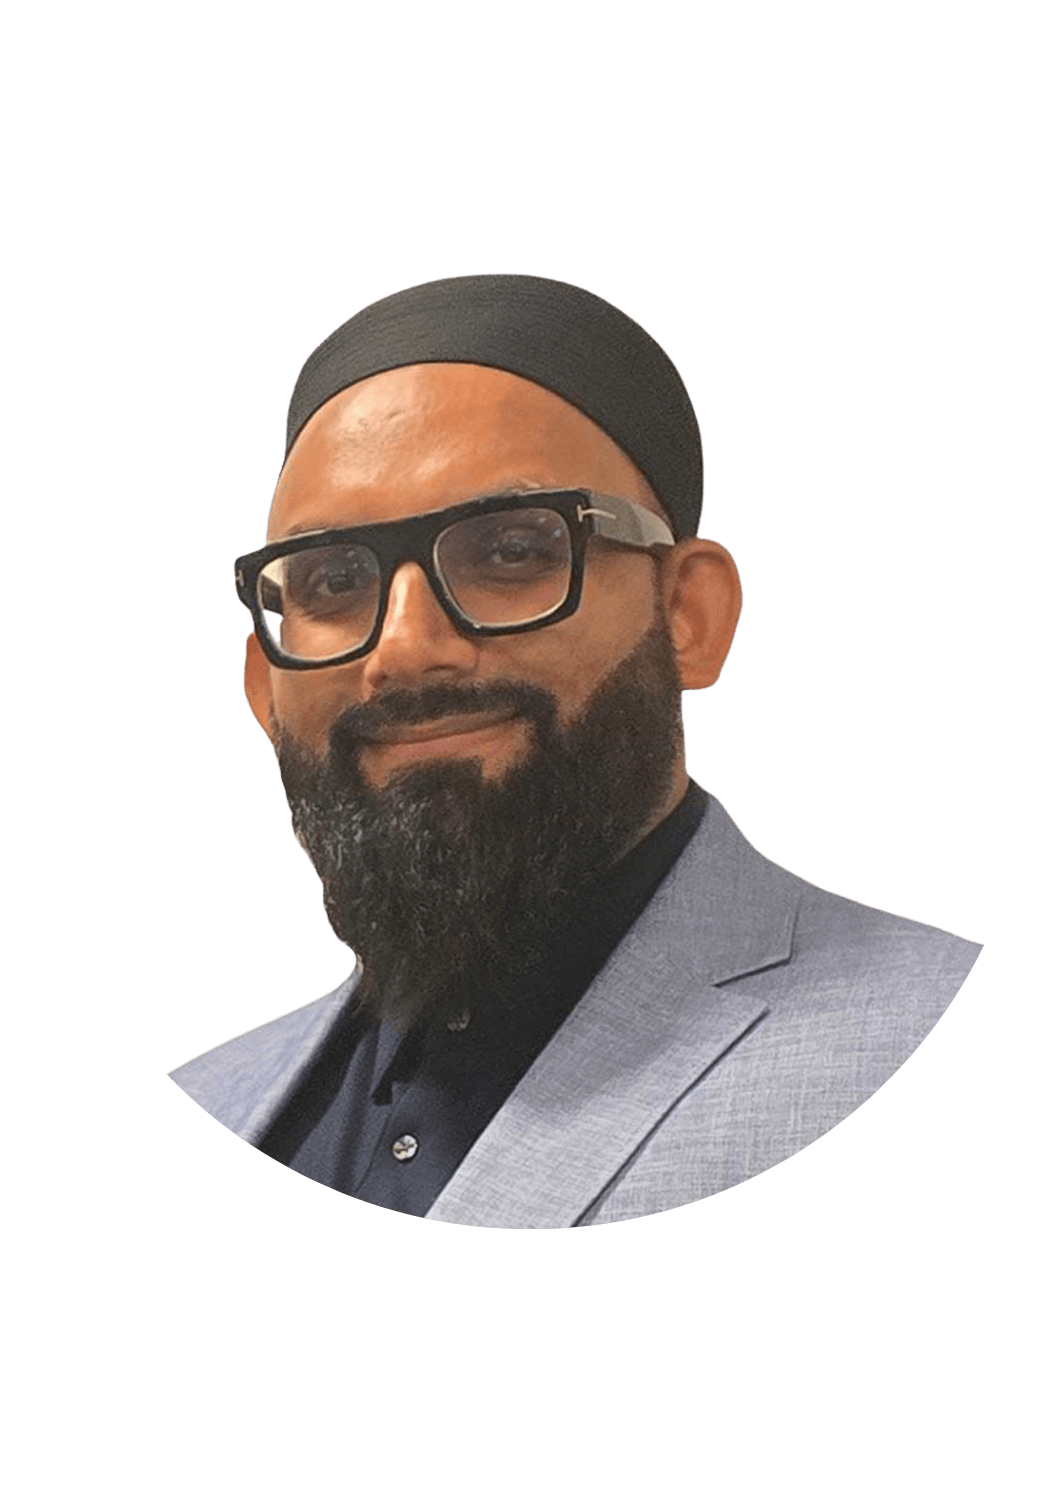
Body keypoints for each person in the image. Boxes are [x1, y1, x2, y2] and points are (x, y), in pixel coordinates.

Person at [169, 273, 981, 1228]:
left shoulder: (925, 1030)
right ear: (265, 689)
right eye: (332, 581)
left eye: (511, 551)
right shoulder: (207, 1099)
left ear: (687, 615)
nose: (404, 649)